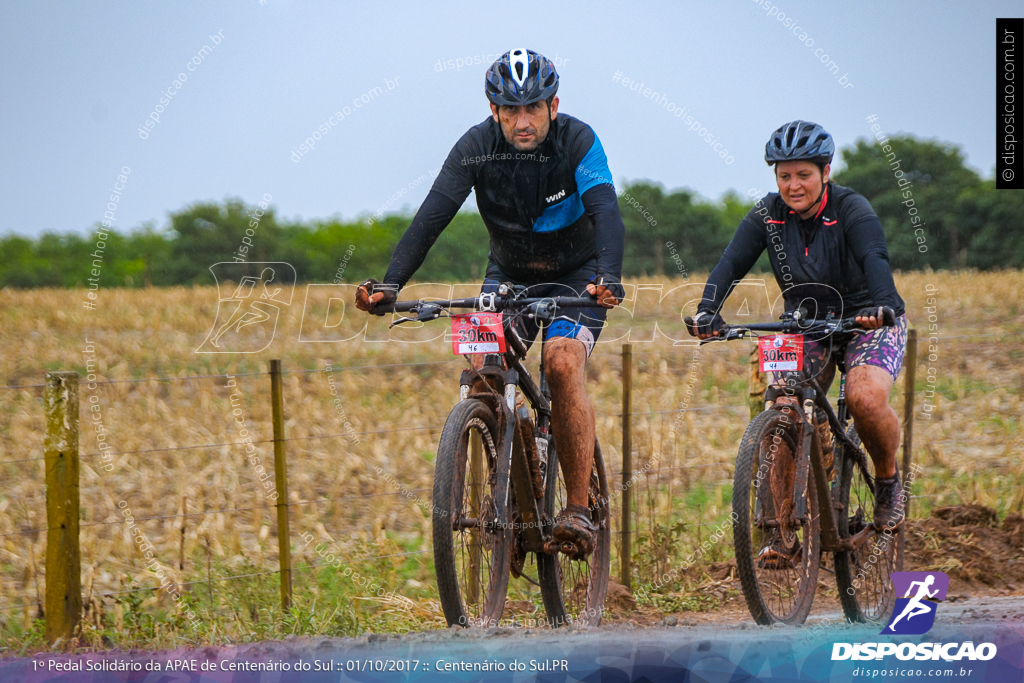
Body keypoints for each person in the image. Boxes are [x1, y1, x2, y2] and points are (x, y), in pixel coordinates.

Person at [355, 48, 626, 558]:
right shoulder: (474, 148)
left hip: (578, 278)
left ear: (553, 104)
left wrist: (608, 275)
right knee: (483, 370)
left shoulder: (579, 140)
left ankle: (575, 509)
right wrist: (391, 284)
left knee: (562, 363)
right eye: (510, 111)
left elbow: (606, 209)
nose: (522, 122)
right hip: (510, 276)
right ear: (493, 110)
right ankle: (517, 483)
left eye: (533, 109)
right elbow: (432, 215)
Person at [687, 120, 908, 534]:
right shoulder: (767, 215)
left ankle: (887, 482)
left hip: (866, 320)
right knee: (783, 404)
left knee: (864, 399)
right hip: (806, 323)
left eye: (803, 174)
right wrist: (706, 311)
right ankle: (781, 526)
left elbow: (875, 256)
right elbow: (730, 264)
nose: (793, 185)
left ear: (826, 172)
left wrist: (881, 304)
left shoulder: (851, 208)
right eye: (784, 175)